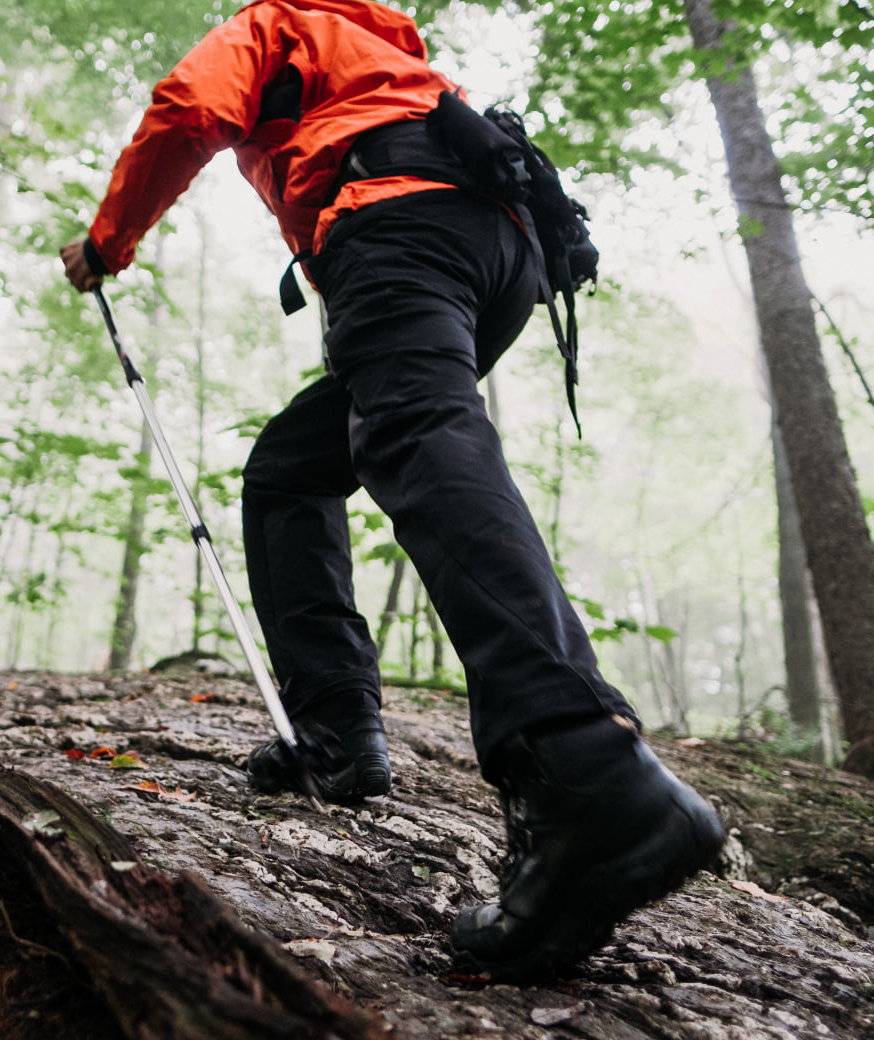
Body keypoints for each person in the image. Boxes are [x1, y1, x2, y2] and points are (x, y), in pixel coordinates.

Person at [59, 0, 723, 981]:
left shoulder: (277, 21)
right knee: (293, 467)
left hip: (398, 223)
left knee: (417, 429)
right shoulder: (383, 46)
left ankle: (587, 765)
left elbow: (185, 108)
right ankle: (334, 730)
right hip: (498, 253)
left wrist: (107, 243)